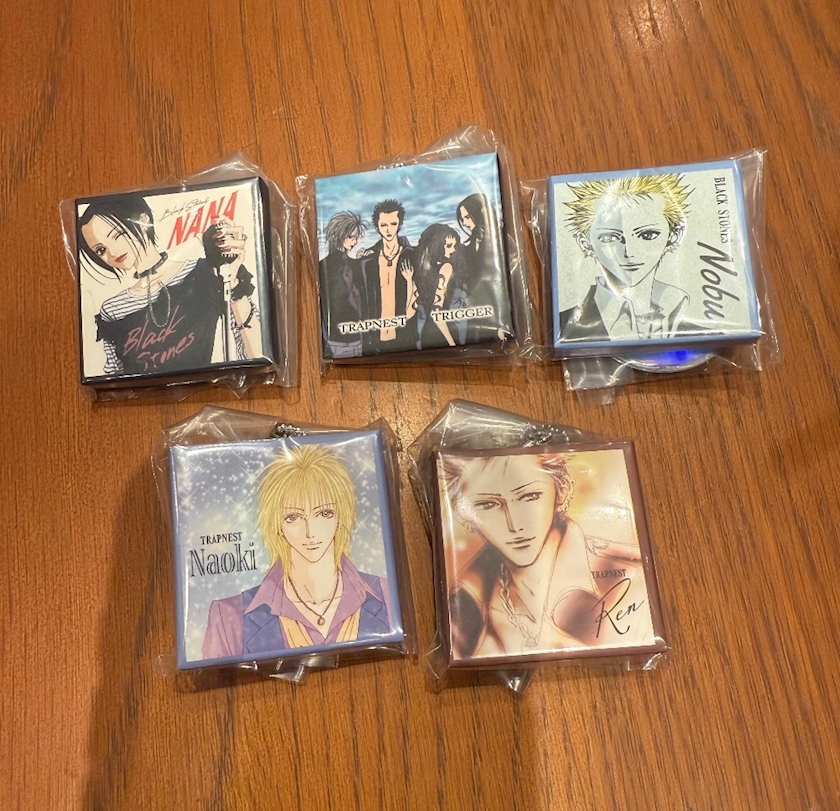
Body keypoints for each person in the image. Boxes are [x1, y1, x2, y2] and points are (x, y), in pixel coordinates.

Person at [440, 450, 650, 659]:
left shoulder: (634, 579)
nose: (515, 525)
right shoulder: (463, 611)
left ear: (562, 491)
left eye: (530, 496)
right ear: (463, 512)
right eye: (488, 505)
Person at [203, 445, 391, 658]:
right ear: (277, 525)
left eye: (324, 513)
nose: (310, 532)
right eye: (293, 517)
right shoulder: (229, 616)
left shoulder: (387, 595)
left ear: (341, 516)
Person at [78, 193, 261, 377]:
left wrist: (232, 279)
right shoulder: (113, 310)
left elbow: (256, 356)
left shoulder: (206, 272)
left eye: (117, 235)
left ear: (143, 221)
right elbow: (115, 378)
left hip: (210, 385)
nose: (112, 252)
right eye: (101, 250)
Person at [560, 173, 692, 343]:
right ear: (585, 243)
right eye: (609, 237)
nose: (629, 252)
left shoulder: (702, 324)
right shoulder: (564, 326)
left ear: (674, 236)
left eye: (647, 235)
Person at [357, 199, 417, 352]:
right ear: (377, 226)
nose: (389, 230)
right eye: (384, 225)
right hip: (375, 340)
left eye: (393, 224)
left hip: (406, 338)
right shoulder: (368, 261)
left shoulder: (411, 256)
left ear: (399, 224)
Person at [455, 193, 514, 343]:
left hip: (495, 304)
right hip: (475, 305)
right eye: (463, 219)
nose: (465, 223)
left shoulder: (498, 238)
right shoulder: (472, 242)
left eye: (467, 217)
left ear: (479, 214)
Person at [319, 211, 368, 358]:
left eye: (356, 237)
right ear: (338, 236)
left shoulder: (325, 265)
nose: (354, 242)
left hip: (347, 336)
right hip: (342, 338)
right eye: (351, 237)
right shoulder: (330, 266)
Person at [413, 224, 468, 348]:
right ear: (437, 246)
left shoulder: (423, 271)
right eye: (448, 246)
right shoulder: (446, 268)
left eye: (454, 246)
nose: (453, 250)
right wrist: (452, 343)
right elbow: (437, 313)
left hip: (425, 330)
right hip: (446, 331)